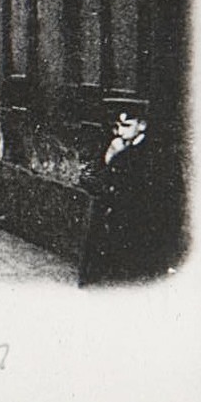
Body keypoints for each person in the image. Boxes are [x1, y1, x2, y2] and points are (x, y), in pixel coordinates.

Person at [79, 105, 170, 285]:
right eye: (118, 126)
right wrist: (110, 156)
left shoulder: (151, 154)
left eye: (127, 126)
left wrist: (116, 159)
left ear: (142, 126)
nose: (120, 131)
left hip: (140, 227)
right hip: (118, 221)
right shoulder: (118, 146)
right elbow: (94, 178)